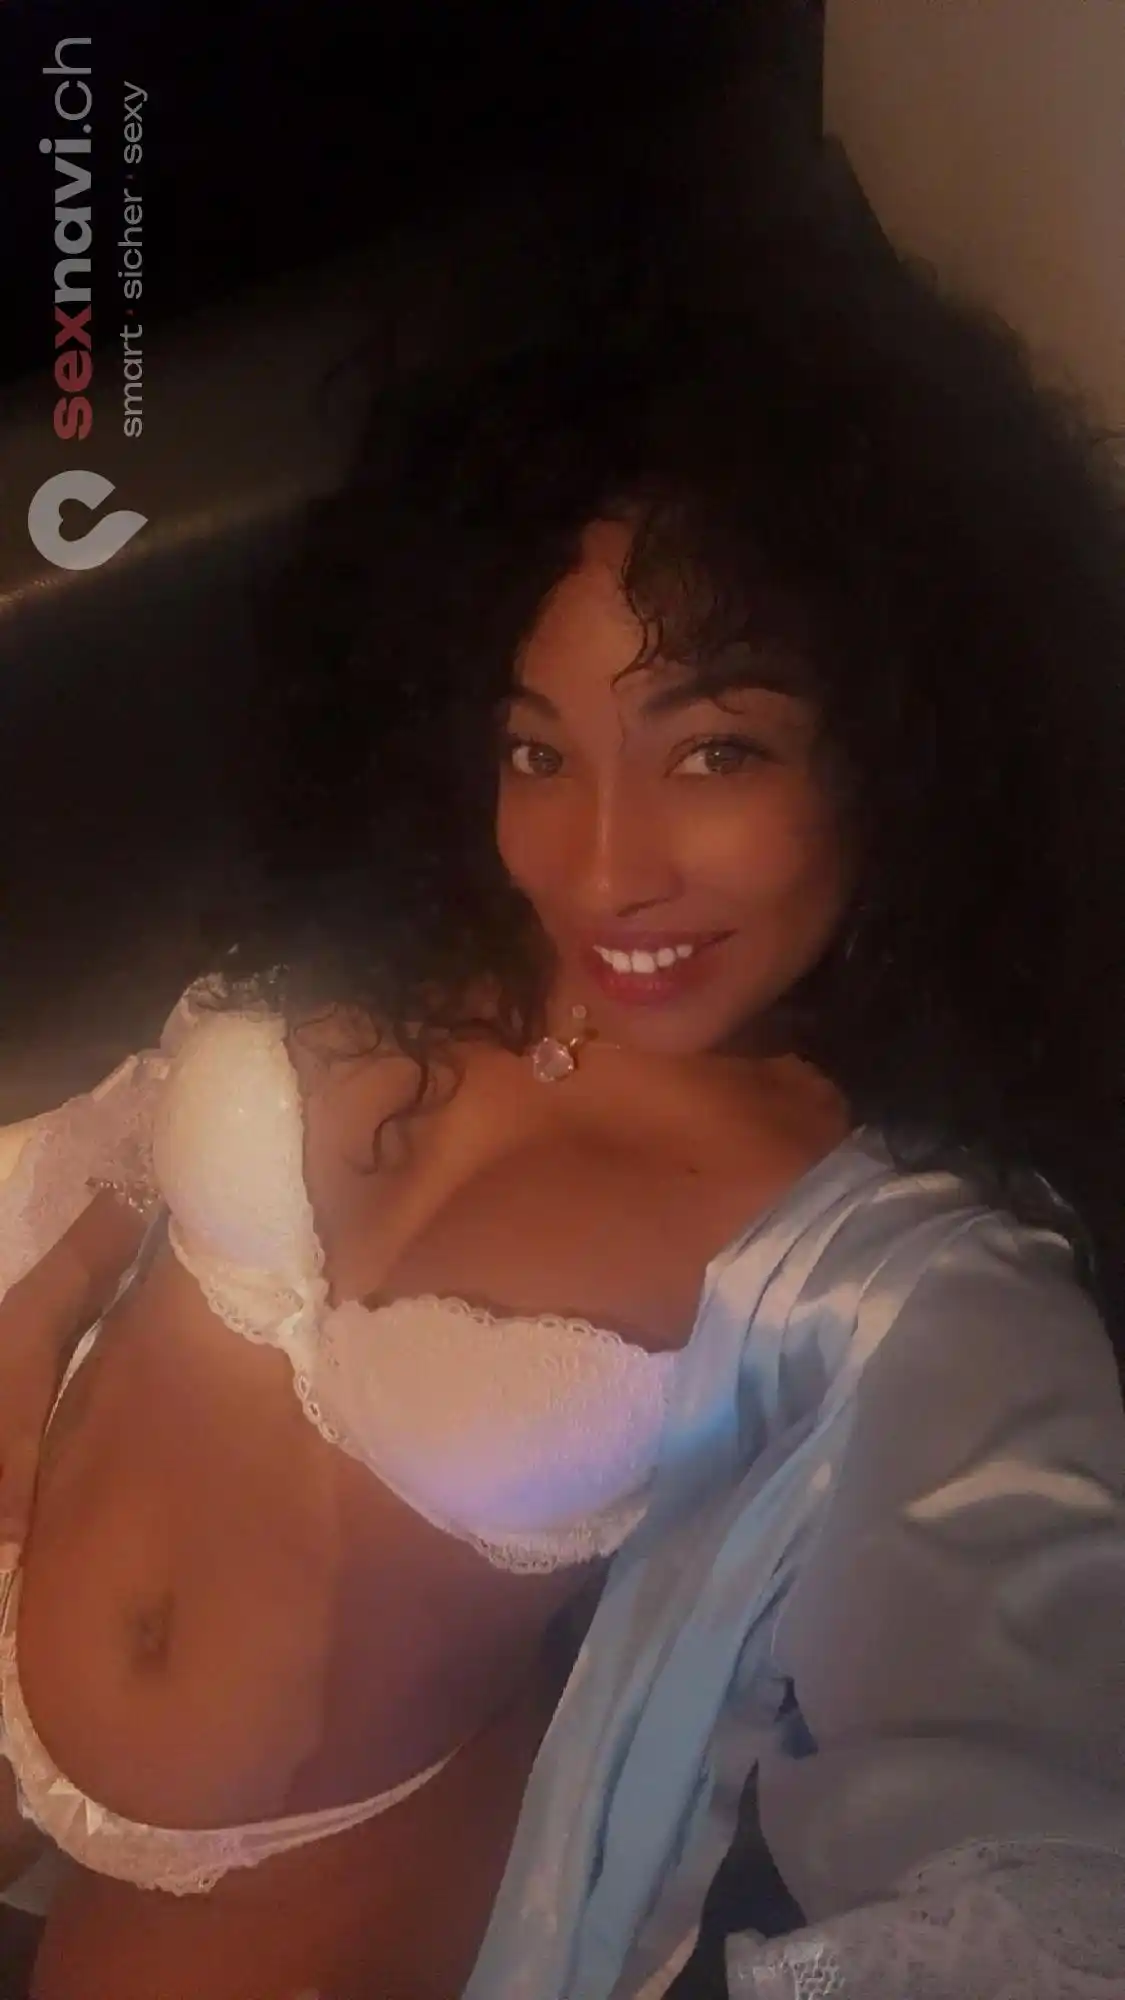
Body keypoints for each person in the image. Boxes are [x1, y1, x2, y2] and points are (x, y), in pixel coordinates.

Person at [3, 168, 1125, 2000]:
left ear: (906, 741)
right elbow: (155, 1115)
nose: (601, 870)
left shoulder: (898, 1274)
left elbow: (1023, 1795)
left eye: (716, 752)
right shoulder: (425, 900)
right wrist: (43, 1300)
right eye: (540, 748)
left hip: (282, 1878)